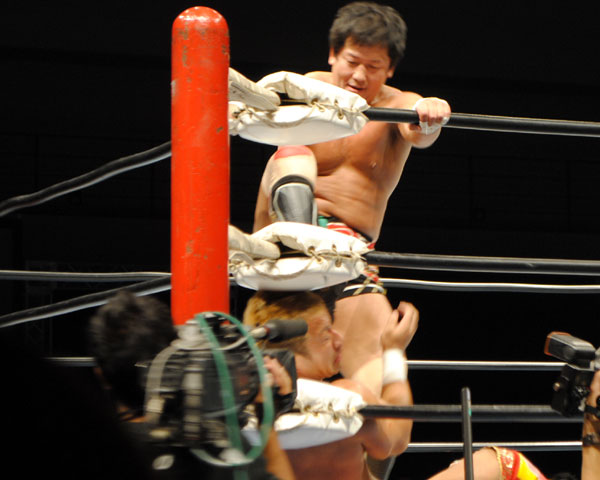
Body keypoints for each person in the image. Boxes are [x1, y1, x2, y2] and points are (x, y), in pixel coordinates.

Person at [253, 1, 451, 395]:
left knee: (378, 398)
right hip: (282, 243)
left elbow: (420, 131)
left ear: (390, 69)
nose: (359, 76)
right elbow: (254, 107)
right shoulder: (303, 88)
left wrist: (432, 113)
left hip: (349, 253)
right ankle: (298, 246)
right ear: (333, 54)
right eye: (352, 61)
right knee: (291, 154)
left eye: (374, 67)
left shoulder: (398, 106)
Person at [88, 290, 295, 480]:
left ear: (101, 375)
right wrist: (267, 419)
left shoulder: (87, 453)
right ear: (172, 354)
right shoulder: (219, 449)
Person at [243, 290, 418, 480]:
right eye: (325, 336)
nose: (339, 340)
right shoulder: (348, 397)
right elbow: (397, 440)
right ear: (293, 353)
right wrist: (394, 351)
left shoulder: (242, 407)